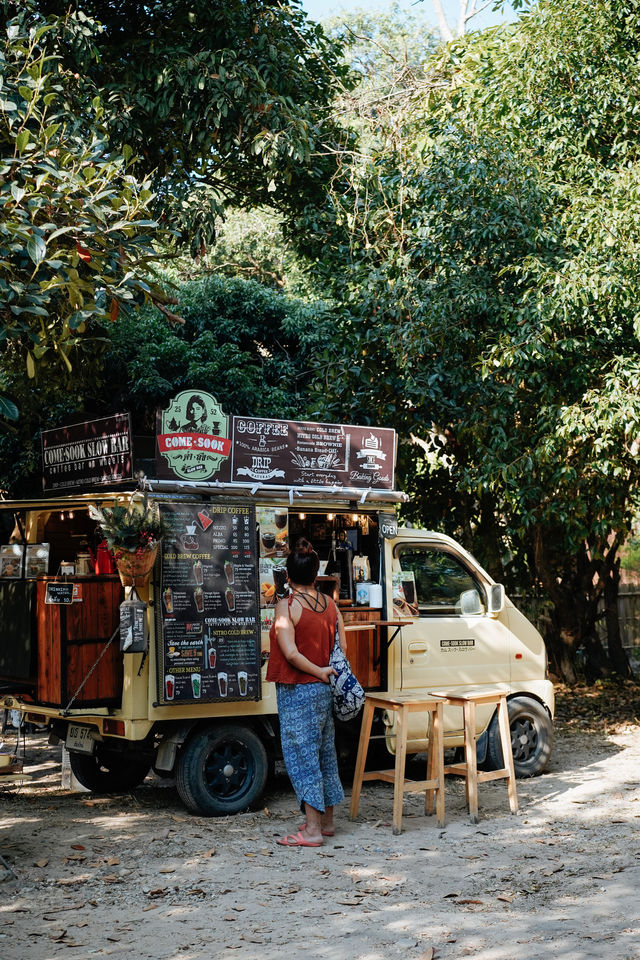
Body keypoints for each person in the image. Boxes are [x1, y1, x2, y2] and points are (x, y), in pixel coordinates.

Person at [266, 537, 347, 847]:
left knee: (303, 758)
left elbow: (290, 653)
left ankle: (311, 831)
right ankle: (326, 822)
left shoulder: (287, 606)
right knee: (325, 754)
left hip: (298, 690)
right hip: (323, 693)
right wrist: (326, 673)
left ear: (288, 576)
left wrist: (317, 670)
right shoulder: (330, 605)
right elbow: (343, 649)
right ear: (316, 575)